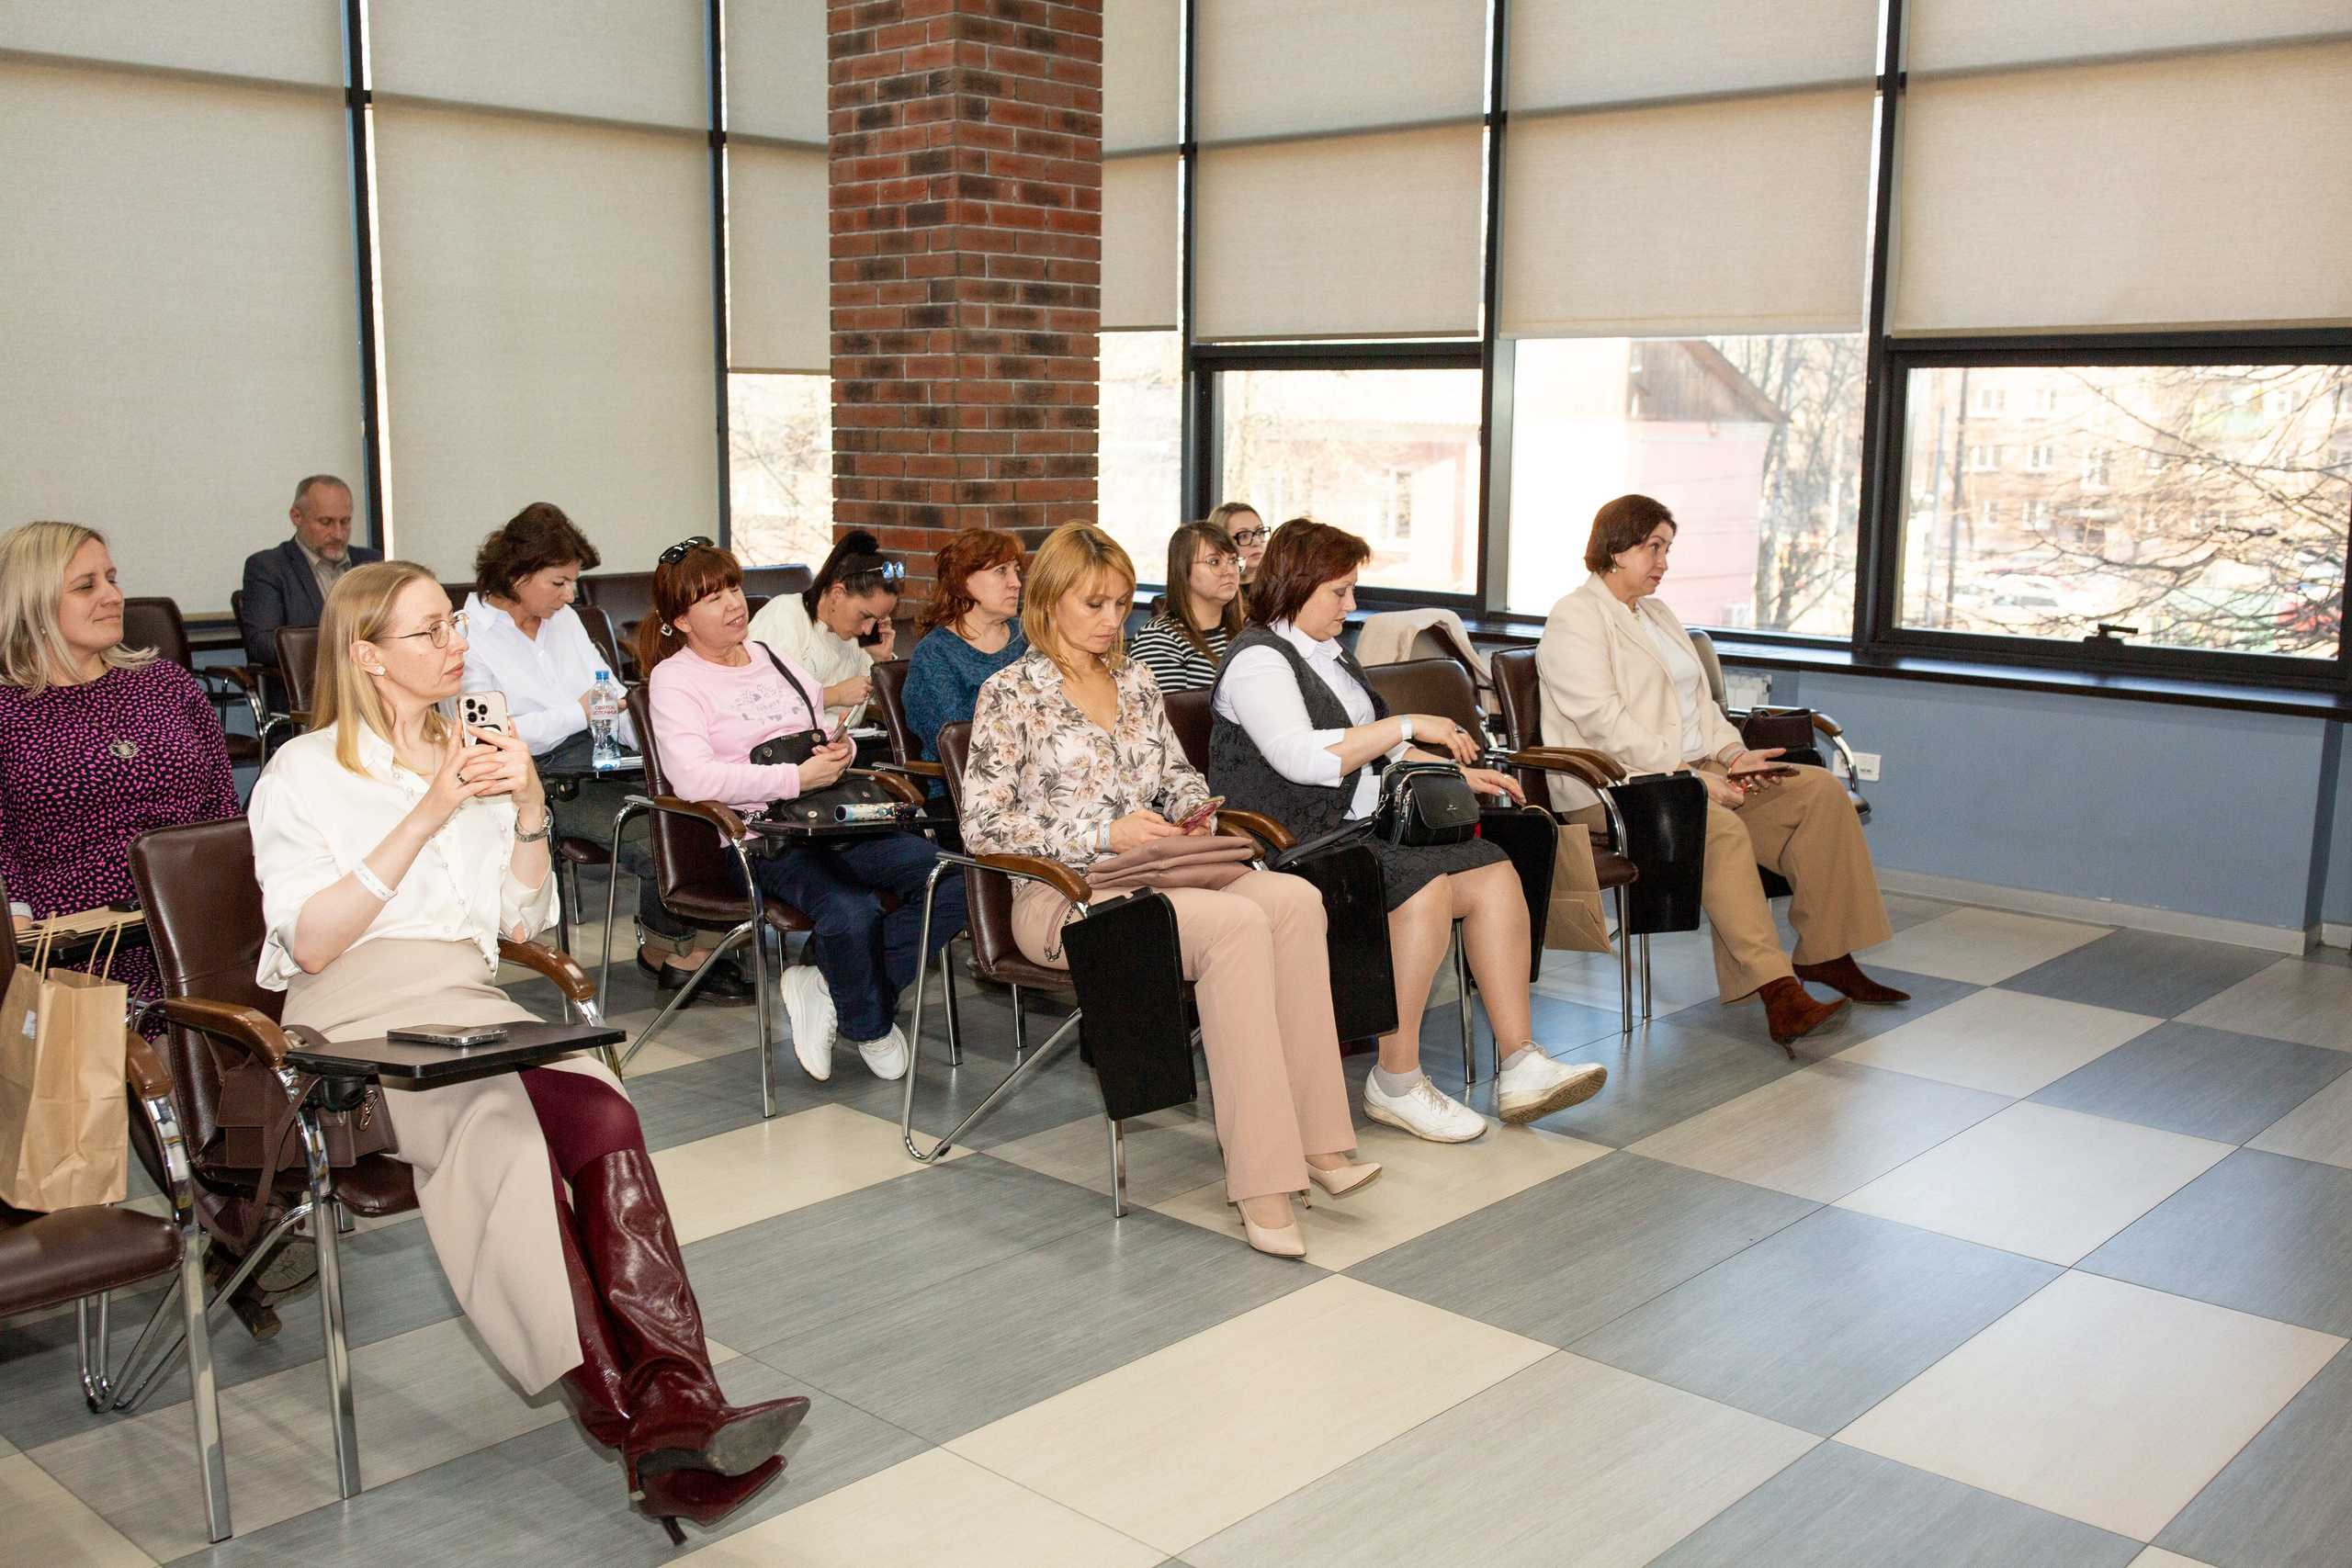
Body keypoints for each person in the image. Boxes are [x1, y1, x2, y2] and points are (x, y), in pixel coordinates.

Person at [248, 562, 802, 1537]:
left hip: (467, 997)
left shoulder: (472, 743)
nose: (456, 645)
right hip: (355, 1012)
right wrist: (428, 810)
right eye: (431, 633)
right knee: (501, 1137)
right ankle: (636, 1427)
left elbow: (521, 918)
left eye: (451, 628)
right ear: (367, 655)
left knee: (605, 1108)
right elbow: (315, 941)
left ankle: (679, 1400)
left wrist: (533, 810)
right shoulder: (307, 771)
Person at [962, 523, 1378, 1260]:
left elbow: (1178, 776)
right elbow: (984, 825)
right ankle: (1261, 1181)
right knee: (1233, 925)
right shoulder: (1010, 693)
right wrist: (1103, 832)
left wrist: (1191, 811)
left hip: (1159, 870)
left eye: (1122, 604)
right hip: (1065, 894)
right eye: (1094, 603)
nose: (1110, 620)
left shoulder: (1135, 681)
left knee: (1293, 901)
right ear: (1050, 599)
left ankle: (1318, 1139)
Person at [1209, 519, 1608, 1139]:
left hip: (1349, 828)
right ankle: (1395, 1080)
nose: (1352, 604)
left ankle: (1521, 1059)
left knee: (1492, 868)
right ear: (1297, 585)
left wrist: (1452, 772)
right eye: (1339, 591)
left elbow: (1375, 751)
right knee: (1423, 884)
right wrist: (1406, 727)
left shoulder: (1329, 654)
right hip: (1293, 843)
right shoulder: (1259, 659)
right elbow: (1303, 757)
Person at [1535, 494, 1904, 1048]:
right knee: (1714, 825)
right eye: (1653, 547)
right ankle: (1777, 989)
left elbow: (1701, 703)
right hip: (1614, 786)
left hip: (1691, 771)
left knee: (1818, 792)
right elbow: (1603, 722)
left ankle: (1826, 955)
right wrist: (1685, 774)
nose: (1663, 562)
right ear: (1615, 547)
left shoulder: (1657, 614)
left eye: (1667, 549)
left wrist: (1732, 756)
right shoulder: (1575, 618)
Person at [644, 540, 966, 1082]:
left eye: (733, 589)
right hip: (762, 835)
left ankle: (826, 985)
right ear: (680, 619)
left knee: (953, 880)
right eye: (712, 598)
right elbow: (693, 778)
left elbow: (826, 730)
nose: (733, 604)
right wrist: (795, 777)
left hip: (830, 815)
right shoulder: (675, 680)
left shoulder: (774, 658)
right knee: (850, 911)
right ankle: (869, 1023)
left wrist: (842, 752)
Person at [458, 506, 744, 1003]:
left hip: (604, 755)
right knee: (652, 832)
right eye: (559, 583)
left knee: (700, 815)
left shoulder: (565, 621)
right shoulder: (467, 634)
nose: (571, 595)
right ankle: (672, 953)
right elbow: (490, 737)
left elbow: (612, 696)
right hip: (537, 778)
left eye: (573, 582)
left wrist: (661, 749)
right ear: (517, 575)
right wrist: (578, 713)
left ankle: (703, 947)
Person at [0, 521, 241, 1006]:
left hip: (198, 924)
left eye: (112, 578)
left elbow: (224, 809)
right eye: (87, 585)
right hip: (76, 946)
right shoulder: (8, 711)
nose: (113, 596)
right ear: (34, 604)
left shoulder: (167, 684)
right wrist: (19, 951)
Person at [901, 528, 1027, 782]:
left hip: (1034, 776)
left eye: (1016, 570)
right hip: (968, 792)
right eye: (1001, 570)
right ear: (964, 580)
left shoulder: (1027, 637)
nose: (1016, 582)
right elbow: (960, 744)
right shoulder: (935, 655)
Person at [745, 529, 902, 728]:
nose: (867, 628)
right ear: (837, 593)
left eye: (878, 619)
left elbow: (886, 714)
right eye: (865, 616)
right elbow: (759, 704)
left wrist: (881, 663)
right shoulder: (785, 616)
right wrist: (834, 695)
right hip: (792, 752)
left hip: (848, 748)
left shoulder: (856, 639)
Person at [239, 475, 382, 668]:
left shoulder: (369, 563)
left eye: (345, 522)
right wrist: (341, 647)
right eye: (326, 522)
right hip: (307, 687)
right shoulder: (268, 567)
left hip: (372, 685)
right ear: (296, 517)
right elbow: (262, 646)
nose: (338, 534)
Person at [1129, 519, 1243, 694]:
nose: (1229, 570)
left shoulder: (1246, 629)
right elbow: (1165, 717)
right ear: (1184, 570)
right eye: (1214, 562)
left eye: (1233, 560)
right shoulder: (1159, 639)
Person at [1208, 501, 1269, 586]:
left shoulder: (1279, 588)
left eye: (1260, 532)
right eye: (1243, 536)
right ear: (1221, 542)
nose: (1257, 542)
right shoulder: (1215, 596)